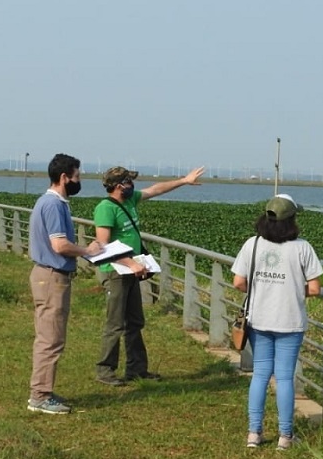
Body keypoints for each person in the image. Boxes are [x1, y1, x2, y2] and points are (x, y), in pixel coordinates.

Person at [93, 164, 206, 385]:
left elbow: (155, 189)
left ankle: (136, 369)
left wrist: (183, 180)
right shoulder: (106, 208)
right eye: (128, 182)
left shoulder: (131, 199)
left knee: (135, 321)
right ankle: (105, 371)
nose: (132, 186)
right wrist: (130, 263)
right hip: (116, 272)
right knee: (115, 323)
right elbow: (102, 245)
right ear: (118, 186)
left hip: (132, 270)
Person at [231, 193, 323, 449]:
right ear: (292, 220)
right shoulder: (303, 247)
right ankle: (285, 436)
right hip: (290, 321)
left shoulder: (253, 244)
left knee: (260, 375)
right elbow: (315, 289)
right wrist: (293, 288)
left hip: (259, 319)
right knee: (284, 378)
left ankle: (254, 433)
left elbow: (239, 282)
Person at [27, 153, 103, 414]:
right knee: (51, 339)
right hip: (52, 277)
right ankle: (40, 396)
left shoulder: (47, 203)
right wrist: (87, 250)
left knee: (47, 336)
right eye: (77, 176)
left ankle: (42, 390)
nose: (78, 181)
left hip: (44, 275)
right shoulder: (54, 205)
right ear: (64, 177)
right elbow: (59, 245)